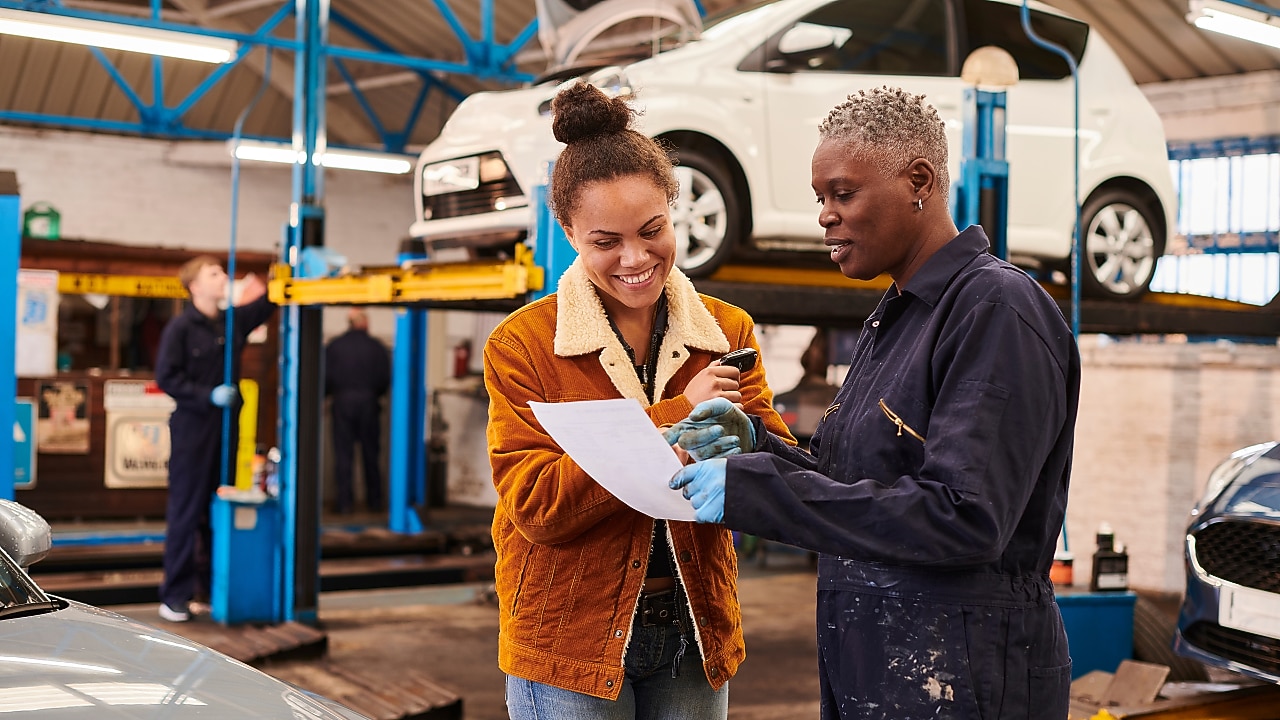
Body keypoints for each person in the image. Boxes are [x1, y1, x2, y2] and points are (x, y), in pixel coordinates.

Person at [667, 86, 1081, 719]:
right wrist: (761, 449)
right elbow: (857, 486)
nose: (825, 216)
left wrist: (759, 493)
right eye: (820, 200)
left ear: (918, 180)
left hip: (966, 675)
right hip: (879, 660)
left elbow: (964, 517)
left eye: (843, 193)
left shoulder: (995, 310)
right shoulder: (898, 316)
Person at [482, 81, 794, 719]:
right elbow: (537, 507)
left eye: (653, 231)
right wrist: (673, 419)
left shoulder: (727, 332)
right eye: (606, 242)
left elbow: (782, 471)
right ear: (568, 230)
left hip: (693, 631)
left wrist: (750, 445)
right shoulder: (523, 346)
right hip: (567, 634)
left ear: (674, 209)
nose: (635, 258)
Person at [154, 255, 276, 623]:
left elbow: (268, 303)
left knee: (216, 511)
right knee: (186, 512)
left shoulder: (232, 321)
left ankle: (207, 591)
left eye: (222, 271)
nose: (223, 276)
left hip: (226, 431)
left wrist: (281, 273)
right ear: (195, 286)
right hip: (193, 429)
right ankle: (174, 596)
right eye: (214, 273)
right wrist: (205, 395)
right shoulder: (181, 329)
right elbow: (166, 376)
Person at [325, 307, 391, 514]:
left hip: (342, 404)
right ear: (365, 323)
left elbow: (325, 378)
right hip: (369, 404)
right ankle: (374, 502)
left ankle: (344, 504)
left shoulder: (335, 347)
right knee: (371, 454)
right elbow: (385, 380)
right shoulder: (377, 348)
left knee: (343, 455)